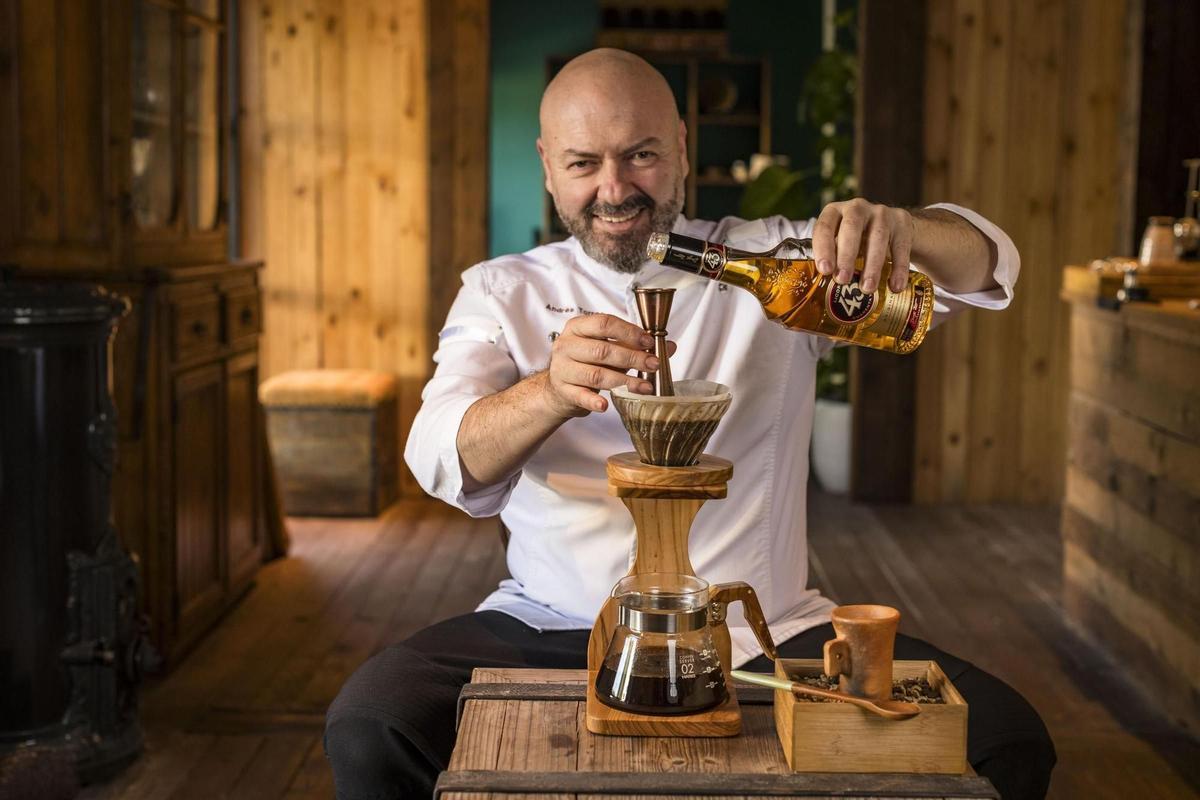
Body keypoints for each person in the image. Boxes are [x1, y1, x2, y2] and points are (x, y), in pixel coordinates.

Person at [324, 48, 1055, 800]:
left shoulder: (778, 260)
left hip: (759, 631)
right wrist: (548, 389)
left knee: (1006, 738)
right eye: (583, 163)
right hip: (551, 625)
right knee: (374, 721)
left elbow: (990, 265)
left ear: (681, 145)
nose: (614, 190)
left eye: (640, 155)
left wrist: (903, 230)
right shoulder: (502, 291)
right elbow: (440, 457)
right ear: (547, 165)